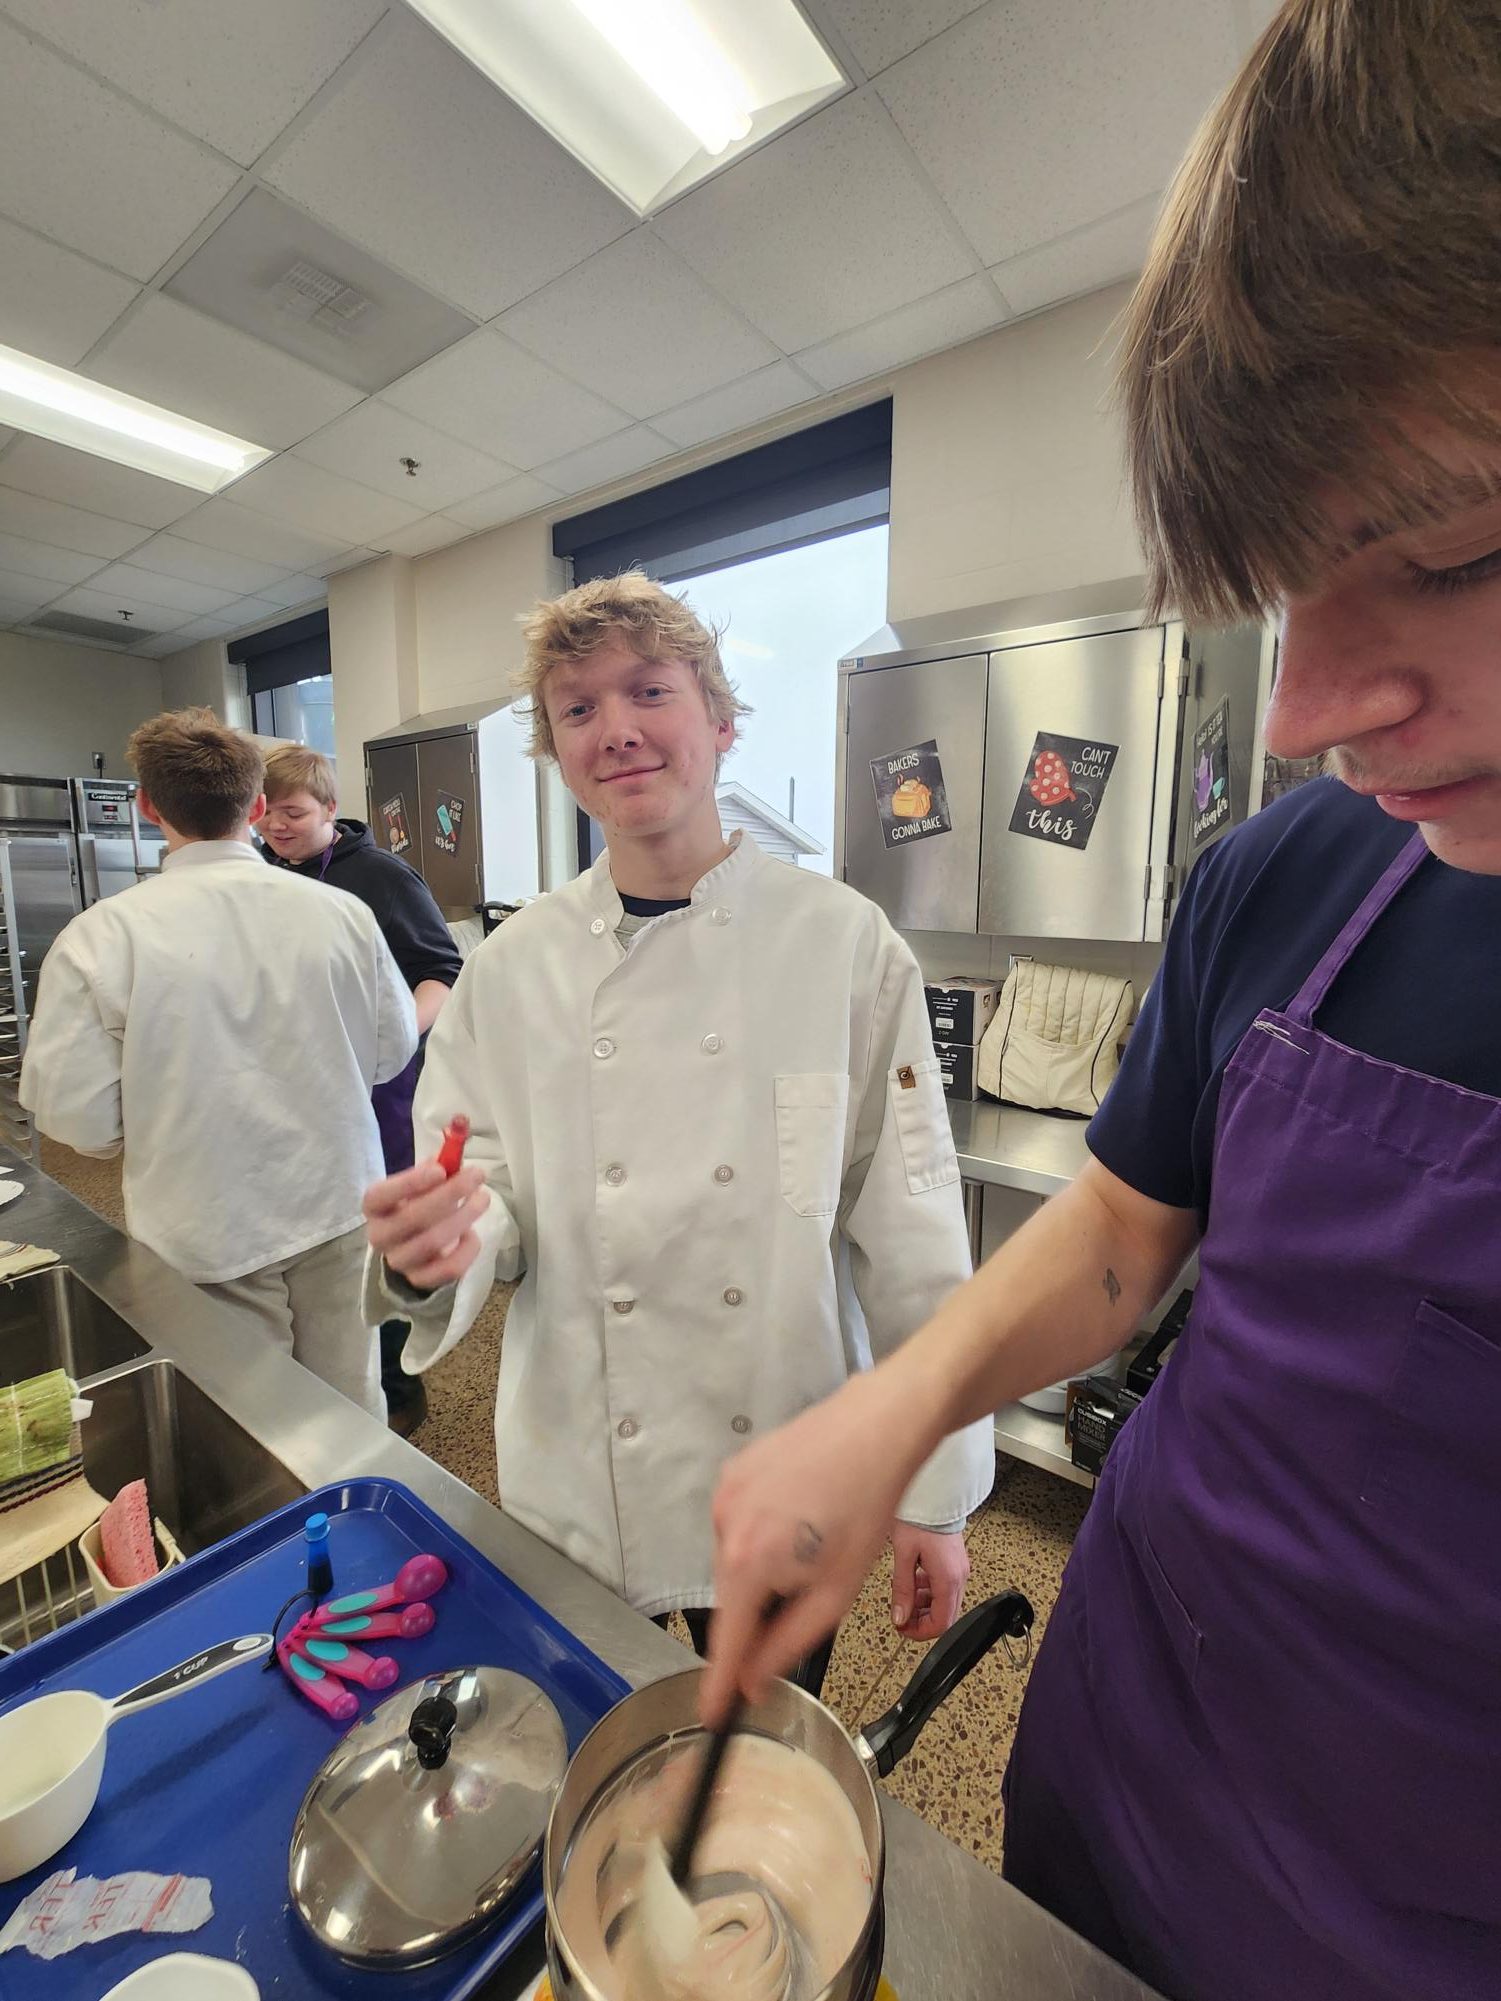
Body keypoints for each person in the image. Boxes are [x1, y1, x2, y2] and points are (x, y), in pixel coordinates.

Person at [702, 4, 1501, 1996]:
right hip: (1126, 1748)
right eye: (1285, 598)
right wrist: (884, 1417)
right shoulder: (1293, 877)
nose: (1311, 714)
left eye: (1456, 554)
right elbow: (1129, 1224)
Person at [362, 574, 993, 1685]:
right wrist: (446, 1244)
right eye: (577, 708)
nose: (616, 730)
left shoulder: (842, 945)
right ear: (555, 751)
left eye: (648, 690)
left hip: (784, 1449)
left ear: (719, 719)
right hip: (582, 1456)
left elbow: (912, 1239)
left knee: (753, 1757)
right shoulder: (512, 970)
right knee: (589, 1731)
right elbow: (482, 1189)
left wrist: (933, 1492)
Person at [21, 710, 417, 1419]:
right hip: (337, 1199)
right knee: (350, 1400)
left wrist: (146, 1122)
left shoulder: (100, 938)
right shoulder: (340, 913)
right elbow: (391, 1051)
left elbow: (76, 1116)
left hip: (205, 1218)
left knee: (248, 1414)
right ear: (258, 806)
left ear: (147, 806)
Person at [258, 743, 462, 1433]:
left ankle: (399, 1387)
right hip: (297, 1086)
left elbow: (443, 970)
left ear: (330, 810)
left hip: (382, 1083)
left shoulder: (381, 877)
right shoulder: (256, 876)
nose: (277, 826)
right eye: (267, 814)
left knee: (380, 1232)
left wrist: (392, 1039)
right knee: (315, 1234)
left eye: (293, 812)